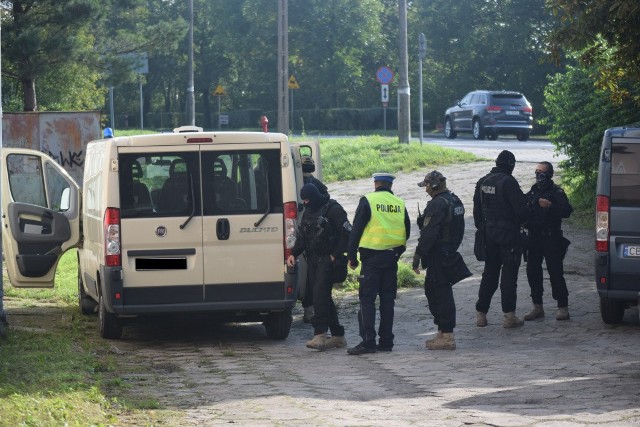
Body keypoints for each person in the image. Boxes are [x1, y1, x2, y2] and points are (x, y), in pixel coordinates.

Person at [346, 173, 410, 355]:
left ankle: (368, 342)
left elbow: (356, 229)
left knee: (367, 300)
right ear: (390, 185)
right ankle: (386, 342)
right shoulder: (399, 203)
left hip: (371, 260)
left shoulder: (368, 200)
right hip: (391, 259)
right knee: (387, 302)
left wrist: (351, 256)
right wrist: (397, 252)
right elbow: (406, 230)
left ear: (375, 183)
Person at [287, 183, 350, 351]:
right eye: (304, 201)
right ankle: (337, 335)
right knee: (322, 296)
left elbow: (347, 234)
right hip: (313, 259)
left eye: (308, 199)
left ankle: (320, 334)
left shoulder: (332, 210)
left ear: (315, 196)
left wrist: (334, 255)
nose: (306, 203)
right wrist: (293, 253)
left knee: (319, 295)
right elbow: (303, 236)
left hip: (328, 259)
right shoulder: (309, 211)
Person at [412, 171, 471, 350]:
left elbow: (429, 233)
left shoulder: (437, 204)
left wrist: (418, 256)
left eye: (427, 186)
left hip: (438, 253)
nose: (426, 190)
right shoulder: (455, 200)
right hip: (449, 251)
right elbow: (460, 229)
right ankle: (443, 332)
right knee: (435, 290)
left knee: (439, 293)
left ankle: (446, 335)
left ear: (434, 185)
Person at [474, 150, 529, 328]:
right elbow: (521, 211)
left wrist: (484, 228)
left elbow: (476, 212)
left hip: (489, 234)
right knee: (509, 275)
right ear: (511, 166)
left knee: (489, 273)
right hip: (508, 235)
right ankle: (509, 316)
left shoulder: (483, 181)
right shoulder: (509, 182)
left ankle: (481, 314)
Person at [523, 161, 574, 321]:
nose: (538, 175)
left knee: (555, 272)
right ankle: (537, 307)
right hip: (534, 238)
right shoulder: (533, 190)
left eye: (542, 172)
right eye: (536, 171)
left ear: (549, 174)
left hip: (551, 238)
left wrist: (551, 206)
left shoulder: (556, 191)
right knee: (532, 271)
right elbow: (524, 206)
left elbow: (567, 211)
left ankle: (562, 307)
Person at [299, 155, 329, 323]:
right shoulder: (317, 185)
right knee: (314, 279)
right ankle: (312, 309)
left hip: (307, 234)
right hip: (314, 234)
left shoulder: (295, 181)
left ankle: (311, 309)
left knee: (311, 276)